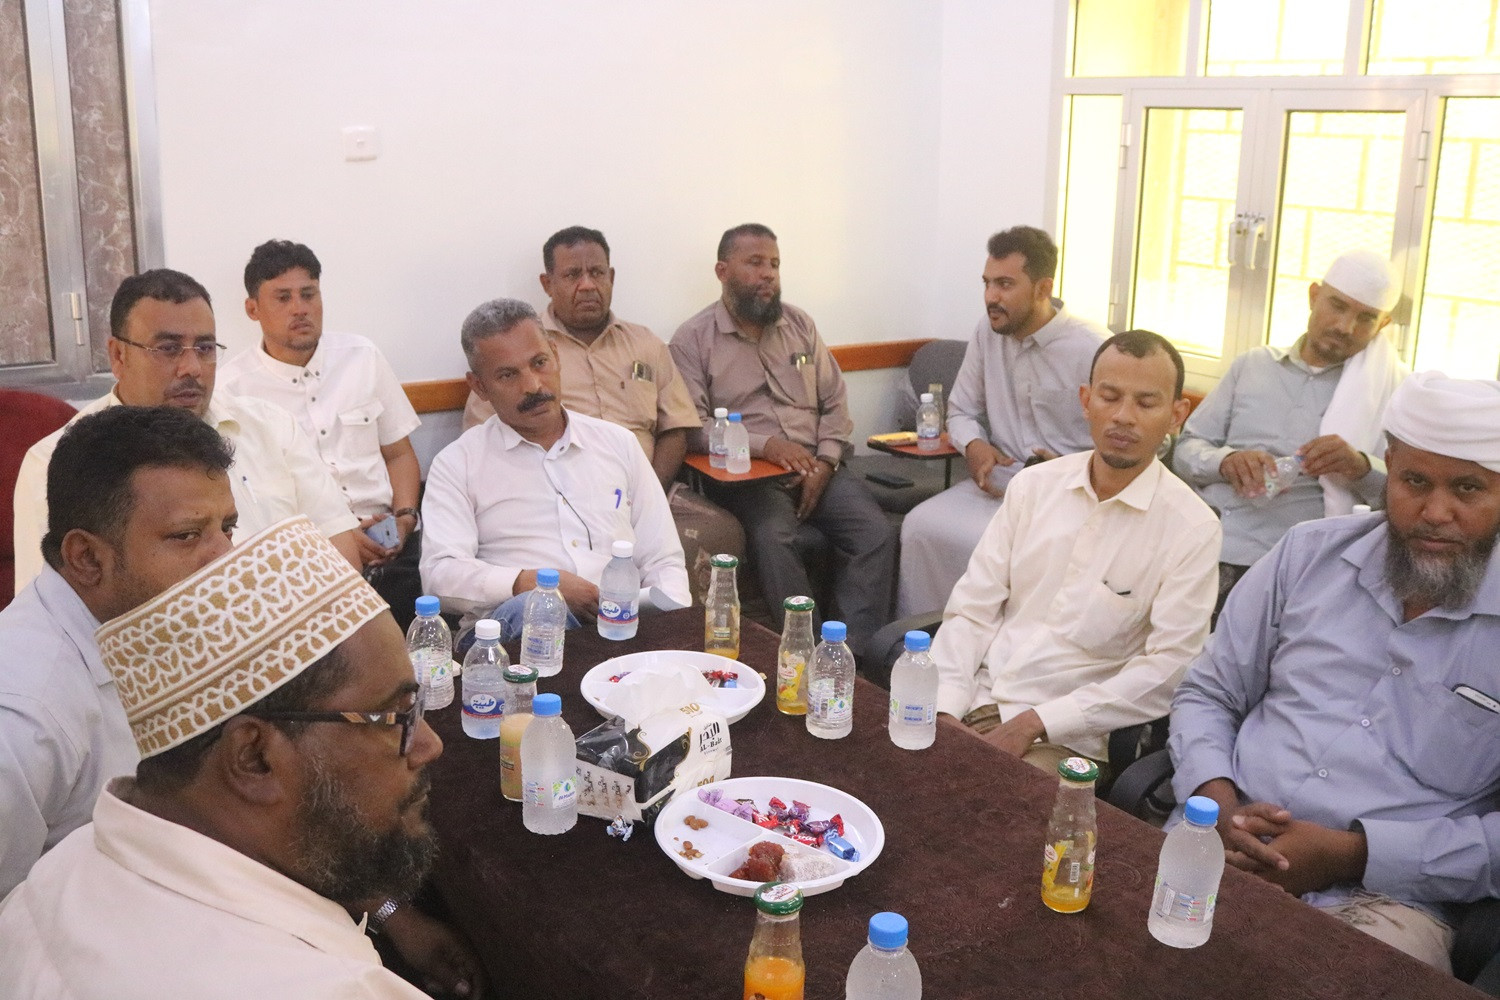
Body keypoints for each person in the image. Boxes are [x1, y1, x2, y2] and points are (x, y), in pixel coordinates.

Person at [0, 517, 483, 998]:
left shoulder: (57, 874)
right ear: (253, 758)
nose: (428, 745)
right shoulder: (329, 988)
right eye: (395, 717)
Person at [1169, 371, 1500, 975]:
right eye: (1415, 481)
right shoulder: (1307, 554)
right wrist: (1213, 797)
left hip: (1390, 896)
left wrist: (1355, 855)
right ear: (1388, 468)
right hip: (1222, 837)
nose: (1435, 512)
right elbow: (1209, 692)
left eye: (1468, 489)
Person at [932, 331, 1220, 774]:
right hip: (973, 696)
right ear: (1086, 400)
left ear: (1176, 415)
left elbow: (1170, 667)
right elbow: (972, 609)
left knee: (989, 801)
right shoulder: (1034, 487)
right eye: (1110, 397)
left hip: (1063, 737)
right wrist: (944, 707)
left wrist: (1037, 721)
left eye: (1146, 403)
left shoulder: (1191, 528)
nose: (1123, 417)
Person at [0, 406, 236, 897]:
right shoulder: (25, 722)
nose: (227, 559)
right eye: (187, 535)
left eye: (227, 528)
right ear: (87, 557)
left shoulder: (160, 618)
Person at [12, 269, 360, 591]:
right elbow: (50, 605)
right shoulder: (56, 462)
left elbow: (341, 555)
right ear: (118, 356)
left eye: (205, 348)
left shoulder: (271, 428)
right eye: (168, 349)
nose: (192, 368)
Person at [461, 226, 743, 596]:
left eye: (596, 273)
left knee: (721, 532)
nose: (587, 285)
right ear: (547, 283)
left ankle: (675, 622)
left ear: (611, 277)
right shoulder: (526, 350)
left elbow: (675, 427)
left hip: (650, 485)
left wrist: (644, 491)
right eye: (572, 275)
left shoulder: (645, 344)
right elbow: (484, 443)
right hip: (557, 496)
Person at [669, 223, 896, 655]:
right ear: (722, 271)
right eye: (755, 263)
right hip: (750, 475)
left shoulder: (800, 324)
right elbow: (692, 426)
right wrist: (767, 446)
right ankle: (806, 653)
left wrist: (826, 461)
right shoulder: (693, 339)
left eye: (774, 264)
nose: (768, 274)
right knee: (775, 539)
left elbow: (835, 402)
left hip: (819, 465)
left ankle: (851, 655)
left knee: (875, 532)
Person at [421, 298, 691, 630]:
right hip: (508, 634)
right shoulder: (457, 464)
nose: (533, 386)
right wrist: (530, 583)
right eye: (508, 375)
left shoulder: (618, 443)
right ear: (479, 387)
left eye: (540, 363)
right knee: (540, 609)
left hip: (618, 624)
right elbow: (439, 574)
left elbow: (663, 560)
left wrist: (677, 625)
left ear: (556, 356)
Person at [1173, 249, 1406, 612]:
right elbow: (1185, 449)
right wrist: (1226, 461)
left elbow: (1410, 495)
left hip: (1293, 569)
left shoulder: (1391, 395)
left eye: (1365, 318)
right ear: (1314, 296)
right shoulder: (1253, 365)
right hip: (1201, 543)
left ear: (1383, 324)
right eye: (1337, 306)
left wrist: (1361, 467)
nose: (1345, 327)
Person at [898, 226, 1107, 616]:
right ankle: (924, 642)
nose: (991, 297)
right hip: (1001, 483)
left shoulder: (1093, 348)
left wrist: (1071, 470)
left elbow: (1130, 444)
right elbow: (961, 410)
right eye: (987, 283)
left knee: (1007, 550)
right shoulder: (988, 332)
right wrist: (974, 445)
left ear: (1043, 289)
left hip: (1072, 496)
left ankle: (994, 646)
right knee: (921, 525)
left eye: (1005, 284)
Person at [220, 240, 422, 583]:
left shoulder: (362, 357)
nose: (300, 309)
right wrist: (338, 537)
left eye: (308, 294)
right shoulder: (232, 390)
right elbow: (249, 499)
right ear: (252, 309)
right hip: (306, 558)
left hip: (392, 540)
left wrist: (404, 519)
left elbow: (399, 454)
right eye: (283, 298)